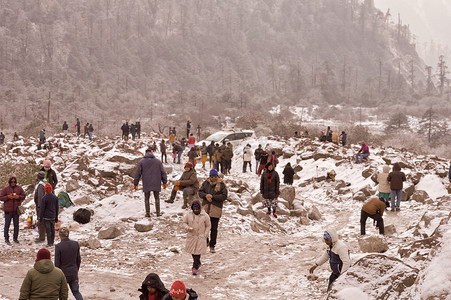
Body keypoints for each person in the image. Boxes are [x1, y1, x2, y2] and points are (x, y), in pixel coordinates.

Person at [199, 169, 228, 253]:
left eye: (215, 177)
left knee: (214, 228)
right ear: (210, 177)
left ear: (217, 176)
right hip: (206, 209)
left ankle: (212, 245)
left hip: (216, 209)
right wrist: (206, 196)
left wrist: (213, 197)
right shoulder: (206, 183)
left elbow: (224, 196)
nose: (214, 178)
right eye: (212, 177)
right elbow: (200, 192)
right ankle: (206, 242)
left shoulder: (222, 184)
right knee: (204, 227)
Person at [134, 148, 168, 217]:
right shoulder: (158, 161)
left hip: (146, 182)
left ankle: (148, 213)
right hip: (156, 182)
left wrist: (135, 183)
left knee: (147, 198)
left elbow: (137, 173)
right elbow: (163, 173)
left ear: (145, 153)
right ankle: (158, 213)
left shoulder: (142, 162)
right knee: (157, 198)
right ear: (152, 153)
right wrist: (164, 182)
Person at [183, 201, 211, 275]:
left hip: (201, 236)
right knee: (193, 251)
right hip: (192, 236)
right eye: (194, 209)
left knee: (198, 252)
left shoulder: (205, 216)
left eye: (197, 209)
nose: (196, 210)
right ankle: (198, 263)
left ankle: (194, 266)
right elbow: (184, 223)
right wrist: (188, 228)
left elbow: (208, 225)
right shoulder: (188, 215)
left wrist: (205, 234)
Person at [55, 227, 83, 300]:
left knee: (62, 295)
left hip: (63, 274)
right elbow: (78, 259)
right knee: (76, 292)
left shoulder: (58, 246)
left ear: (60, 235)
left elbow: (57, 263)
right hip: (73, 271)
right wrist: (76, 269)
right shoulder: (75, 244)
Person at [0, 175, 26, 245]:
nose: (13, 183)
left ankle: (15, 238)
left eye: (14, 182)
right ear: (9, 182)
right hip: (8, 211)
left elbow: (23, 196)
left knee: (16, 225)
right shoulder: (6, 189)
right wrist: (8, 197)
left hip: (16, 211)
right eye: (11, 182)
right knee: (7, 225)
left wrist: (18, 197)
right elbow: (1, 197)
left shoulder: (19, 188)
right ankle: (6, 238)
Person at [34, 171, 47, 243]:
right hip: (43, 206)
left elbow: (40, 197)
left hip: (40, 207)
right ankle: (42, 236)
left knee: (41, 221)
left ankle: (41, 238)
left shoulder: (40, 186)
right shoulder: (44, 183)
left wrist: (39, 207)